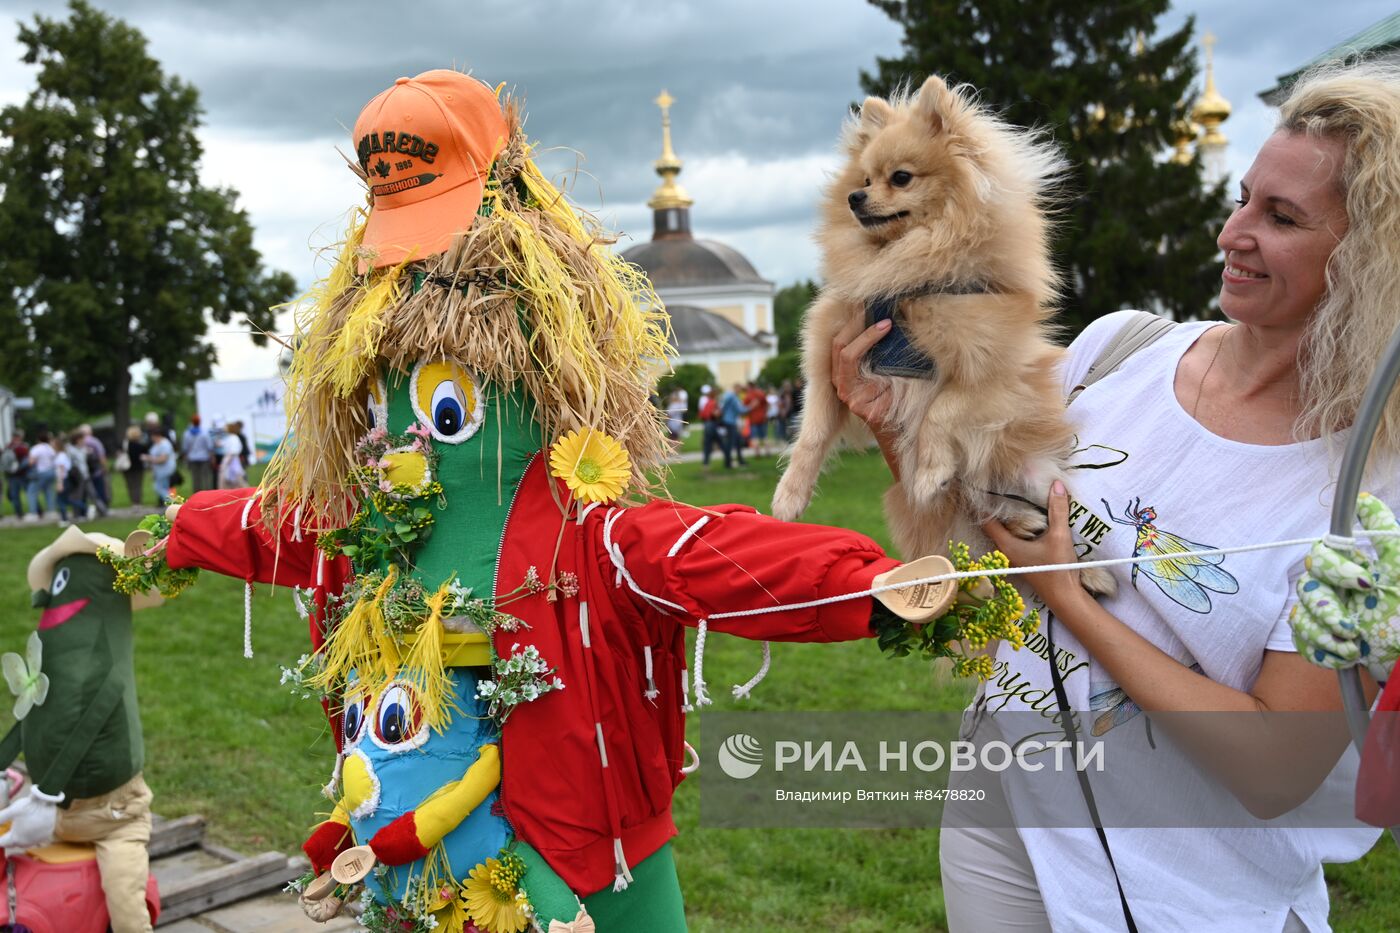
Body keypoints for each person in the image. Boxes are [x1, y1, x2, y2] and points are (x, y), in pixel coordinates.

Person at [831, 62, 1400, 931]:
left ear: (1372, 257)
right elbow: (981, 520)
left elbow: (1277, 767)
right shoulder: (1116, 352)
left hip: (1185, 886)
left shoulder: (1371, 490)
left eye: (1280, 218)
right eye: (1243, 197)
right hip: (1000, 820)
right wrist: (896, 423)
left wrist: (1069, 594)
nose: (1230, 232)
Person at [77, 425, 109, 518]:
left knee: (85, 493)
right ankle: (102, 509)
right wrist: (105, 467)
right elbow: (101, 455)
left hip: (83, 473)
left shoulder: (79, 443)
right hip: (96, 471)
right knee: (99, 491)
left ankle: (84, 512)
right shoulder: (95, 441)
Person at [26, 430, 57, 521]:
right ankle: (51, 512)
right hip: (51, 472)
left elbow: (31, 462)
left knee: (32, 492)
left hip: (41, 472)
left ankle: (33, 513)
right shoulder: (50, 448)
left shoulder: (36, 448)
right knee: (49, 491)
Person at [181, 415, 215, 493]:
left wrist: (185, 458)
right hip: (204, 457)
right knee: (206, 477)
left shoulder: (187, 434)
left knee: (196, 478)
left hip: (193, 458)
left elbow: (185, 448)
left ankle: (197, 494)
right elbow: (209, 446)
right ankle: (207, 494)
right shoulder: (204, 433)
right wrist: (212, 457)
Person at [144, 427, 176, 507]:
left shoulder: (165, 444)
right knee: (164, 488)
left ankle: (172, 503)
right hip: (159, 471)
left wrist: (149, 458)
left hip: (165, 470)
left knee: (158, 488)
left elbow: (163, 458)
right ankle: (170, 504)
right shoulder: (157, 444)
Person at [719, 382, 746, 468]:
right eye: (739, 389)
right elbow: (740, 410)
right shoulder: (732, 396)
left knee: (737, 441)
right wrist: (751, 407)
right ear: (736, 388)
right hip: (730, 422)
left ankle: (739, 460)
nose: (740, 391)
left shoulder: (730, 396)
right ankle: (728, 462)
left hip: (730, 421)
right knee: (730, 443)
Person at [120, 426, 148, 507]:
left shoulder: (125, 444)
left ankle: (133, 502)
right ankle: (138, 502)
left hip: (126, 468)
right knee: (138, 485)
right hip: (137, 468)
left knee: (130, 486)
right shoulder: (139, 446)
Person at [3, 429, 28, 518]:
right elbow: (27, 459)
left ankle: (19, 513)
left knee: (15, 495)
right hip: (20, 474)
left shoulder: (8, 447)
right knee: (27, 493)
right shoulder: (22, 447)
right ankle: (36, 511)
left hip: (12, 475)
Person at [697, 384, 723, 467]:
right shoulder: (712, 402)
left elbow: (702, 412)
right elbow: (714, 414)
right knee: (721, 443)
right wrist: (720, 413)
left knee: (708, 444)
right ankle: (729, 461)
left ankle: (706, 463)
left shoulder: (707, 401)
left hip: (708, 423)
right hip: (712, 424)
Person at [218, 421, 246, 489]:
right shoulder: (230, 437)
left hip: (232, 460)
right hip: (230, 459)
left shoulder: (233, 438)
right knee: (230, 480)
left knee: (238, 479)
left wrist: (226, 462)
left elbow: (233, 451)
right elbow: (223, 444)